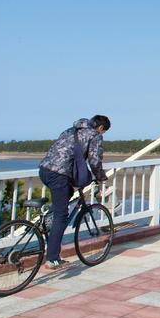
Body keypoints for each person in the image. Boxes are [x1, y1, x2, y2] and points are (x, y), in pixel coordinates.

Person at [39, 115, 110, 268]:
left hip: (44, 170)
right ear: (100, 128)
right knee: (62, 214)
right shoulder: (94, 135)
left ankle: (49, 227)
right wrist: (100, 177)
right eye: (103, 132)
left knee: (66, 196)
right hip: (60, 175)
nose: (102, 134)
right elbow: (94, 160)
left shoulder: (71, 130)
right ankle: (52, 259)